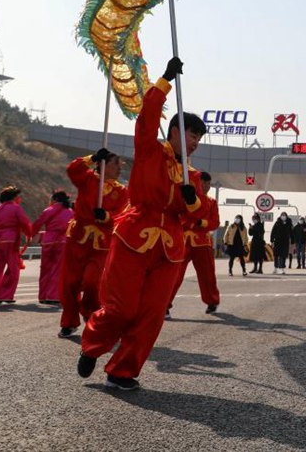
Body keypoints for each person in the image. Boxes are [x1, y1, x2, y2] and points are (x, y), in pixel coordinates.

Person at [77, 57, 205, 391]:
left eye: (199, 140)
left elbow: (196, 214)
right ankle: (92, 341)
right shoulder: (150, 149)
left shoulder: (191, 174)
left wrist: (190, 198)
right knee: (121, 309)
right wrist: (165, 81)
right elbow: (148, 116)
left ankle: (122, 371)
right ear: (175, 132)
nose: (195, 144)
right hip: (135, 234)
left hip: (171, 248)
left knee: (151, 315)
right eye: (192, 136)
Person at [60, 148, 129, 338]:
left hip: (101, 244)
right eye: (116, 163)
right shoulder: (88, 180)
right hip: (78, 238)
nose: (120, 167)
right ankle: (68, 321)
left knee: (92, 282)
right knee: (70, 282)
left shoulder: (121, 191)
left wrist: (106, 216)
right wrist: (91, 158)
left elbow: (122, 216)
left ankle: (90, 313)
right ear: (103, 164)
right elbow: (73, 170)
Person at [169, 171, 220, 315]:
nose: (207, 186)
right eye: (204, 183)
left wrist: (201, 222)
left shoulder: (212, 202)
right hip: (183, 240)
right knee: (174, 274)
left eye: (209, 184)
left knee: (207, 275)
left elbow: (215, 223)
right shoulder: (187, 197)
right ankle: (165, 303)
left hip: (203, 243)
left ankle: (212, 301)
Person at [0, 186, 33, 304]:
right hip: (11, 239)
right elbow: (24, 222)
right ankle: (5, 295)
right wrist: (29, 233)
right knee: (13, 267)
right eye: (18, 196)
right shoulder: (16, 208)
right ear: (14, 197)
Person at [31, 190, 74, 305]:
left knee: (45, 269)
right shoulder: (70, 212)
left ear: (54, 200)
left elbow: (38, 223)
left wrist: (31, 233)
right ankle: (53, 295)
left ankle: (43, 295)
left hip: (48, 240)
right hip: (63, 241)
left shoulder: (48, 210)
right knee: (57, 269)